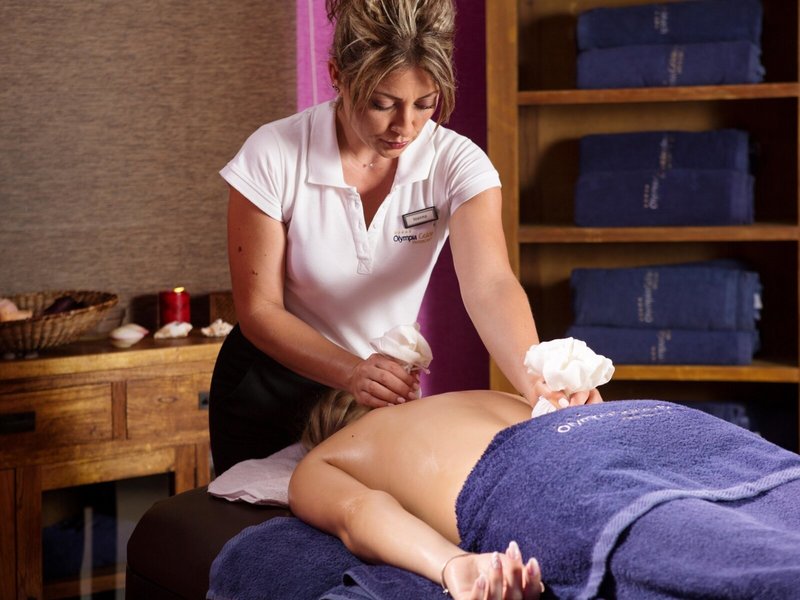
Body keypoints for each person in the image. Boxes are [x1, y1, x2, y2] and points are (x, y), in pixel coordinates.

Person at [209, 0, 601, 476]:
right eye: (382, 103)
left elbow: (490, 284)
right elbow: (259, 310)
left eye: (424, 104)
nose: (406, 127)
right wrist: (351, 371)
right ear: (337, 76)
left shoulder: (456, 163)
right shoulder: (273, 154)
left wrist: (536, 379)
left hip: (374, 394)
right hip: (269, 387)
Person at [288, 389, 800, 600]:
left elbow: (360, 512)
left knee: (749, 567)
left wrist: (454, 567)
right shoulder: (480, 394)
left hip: (543, 465)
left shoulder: (324, 458)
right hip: (659, 420)